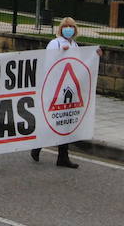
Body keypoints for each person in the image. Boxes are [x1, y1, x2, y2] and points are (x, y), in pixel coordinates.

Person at [32, 16, 98, 169]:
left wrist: (95, 55)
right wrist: (61, 53)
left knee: (66, 122)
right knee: (54, 121)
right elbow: (49, 63)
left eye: (71, 26)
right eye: (65, 26)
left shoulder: (74, 44)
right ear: (61, 28)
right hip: (56, 89)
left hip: (70, 89)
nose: (68, 29)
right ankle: (37, 147)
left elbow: (79, 65)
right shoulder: (54, 44)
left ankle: (63, 157)